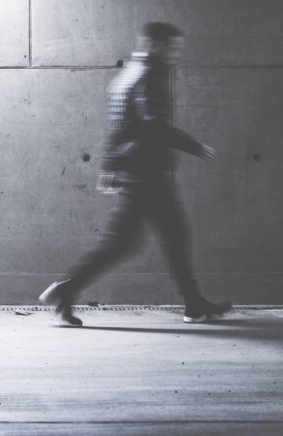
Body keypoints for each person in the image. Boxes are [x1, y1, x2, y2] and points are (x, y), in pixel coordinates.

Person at [39, 22, 231, 326]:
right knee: (145, 240)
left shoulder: (129, 73)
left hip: (136, 171)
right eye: (173, 47)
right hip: (148, 173)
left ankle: (193, 303)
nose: (176, 54)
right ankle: (66, 289)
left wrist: (109, 165)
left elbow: (118, 124)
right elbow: (151, 123)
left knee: (160, 238)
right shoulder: (151, 74)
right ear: (157, 45)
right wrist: (192, 145)